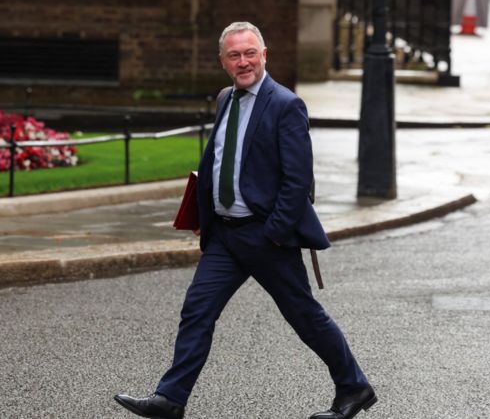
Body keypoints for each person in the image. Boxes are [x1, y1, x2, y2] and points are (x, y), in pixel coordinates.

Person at [114, 21, 376, 419]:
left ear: (264, 54)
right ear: (223, 61)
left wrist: (274, 232)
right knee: (197, 311)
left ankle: (354, 388)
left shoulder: (285, 104)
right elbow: (220, 160)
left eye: (250, 52)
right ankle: (170, 399)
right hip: (225, 236)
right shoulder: (225, 99)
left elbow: (297, 178)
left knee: (304, 316)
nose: (243, 62)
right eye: (234, 55)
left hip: (265, 236)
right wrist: (206, 211)